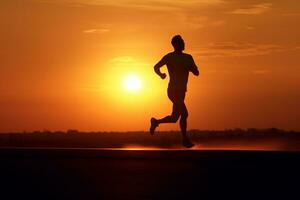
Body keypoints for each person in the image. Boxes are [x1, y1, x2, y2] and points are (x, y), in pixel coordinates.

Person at [150, 35, 199, 148]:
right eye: (181, 42)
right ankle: (185, 140)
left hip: (182, 92)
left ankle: (156, 122)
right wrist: (161, 75)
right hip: (172, 91)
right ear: (176, 45)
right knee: (185, 114)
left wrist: (192, 69)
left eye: (183, 42)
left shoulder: (188, 57)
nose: (184, 44)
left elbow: (197, 72)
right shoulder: (169, 57)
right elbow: (156, 67)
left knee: (174, 118)